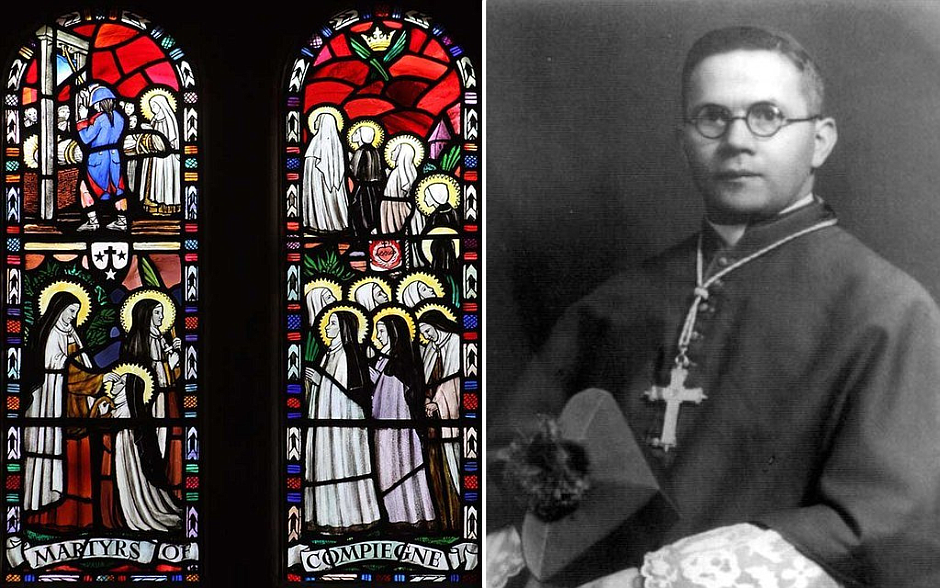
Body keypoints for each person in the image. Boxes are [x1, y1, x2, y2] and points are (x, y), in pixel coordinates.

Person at [488, 26, 940, 588]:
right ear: (685, 141)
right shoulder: (616, 303)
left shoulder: (889, 312)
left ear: (820, 140)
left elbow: (883, 527)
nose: (737, 140)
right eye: (712, 117)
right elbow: (506, 467)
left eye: (768, 115)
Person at [21, 286, 117, 529]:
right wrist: (98, 380)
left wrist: (96, 381)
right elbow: (63, 369)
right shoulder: (51, 334)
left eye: (76, 311)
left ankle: (79, 518)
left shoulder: (72, 333)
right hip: (51, 401)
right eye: (70, 311)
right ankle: (44, 512)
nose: (73, 316)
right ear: (59, 309)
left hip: (74, 405)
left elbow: (82, 362)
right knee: (49, 450)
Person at [303, 305, 381, 533]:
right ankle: (326, 518)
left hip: (343, 430)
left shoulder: (348, 355)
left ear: (344, 328)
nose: (326, 327)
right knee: (325, 466)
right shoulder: (328, 354)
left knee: (342, 467)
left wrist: (321, 380)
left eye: (332, 324)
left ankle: (348, 519)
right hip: (325, 426)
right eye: (327, 323)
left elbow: (354, 397)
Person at [369, 307, 436, 529]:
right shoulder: (382, 360)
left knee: (401, 469)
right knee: (386, 474)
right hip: (382, 429)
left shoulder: (402, 364)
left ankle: (411, 517)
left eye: (381, 331)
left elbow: (407, 395)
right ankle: (393, 517)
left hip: (400, 431)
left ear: (394, 333)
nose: (376, 336)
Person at [104, 371, 182, 532]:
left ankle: (138, 513)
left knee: (134, 482)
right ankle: (130, 511)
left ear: (128, 389)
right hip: (122, 453)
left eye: (120, 381)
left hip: (129, 456)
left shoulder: (127, 412)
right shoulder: (119, 408)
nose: (115, 383)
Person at [122, 294, 183, 496]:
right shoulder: (139, 340)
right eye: (157, 313)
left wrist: (174, 354)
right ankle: (156, 476)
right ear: (146, 315)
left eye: (162, 312)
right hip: (153, 401)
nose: (161, 316)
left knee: (172, 436)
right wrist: (168, 360)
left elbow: (171, 372)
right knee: (158, 437)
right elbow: (141, 373)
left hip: (168, 396)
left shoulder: (160, 337)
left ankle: (169, 477)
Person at [417, 307, 462, 533]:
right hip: (432, 421)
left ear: (438, 325)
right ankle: (444, 521)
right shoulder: (431, 350)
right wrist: (426, 400)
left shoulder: (457, 343)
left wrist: (437, 402)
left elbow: (455, 381)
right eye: (423, 332)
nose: (426, 335)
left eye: (427, 330)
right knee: (435, 468)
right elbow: (426, 381)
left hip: (448, 417)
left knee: (452, 466)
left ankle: (458, 520)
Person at [75, 85, 129, 232]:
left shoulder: (99, 119)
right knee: (118, 189)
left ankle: (93, 221)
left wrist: (82, 118)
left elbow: (86, 138)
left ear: (99, 103)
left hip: (98, 158)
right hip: (114, 157)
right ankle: (122, 221)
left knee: (85, 187)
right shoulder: (119, 117)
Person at [302, 109, 349, 233]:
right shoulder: (336, 143)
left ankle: (323, 223)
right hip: (320, 181)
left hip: (319, 180)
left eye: (318, 120)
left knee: (325, 198)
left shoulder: (319, 142)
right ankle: (326, 222)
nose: (315, 123)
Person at [138, 93, 181, 215]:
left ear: (161, 105)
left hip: (166, 159)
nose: (152, 108)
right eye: (151, 106)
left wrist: (151, 131)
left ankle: (166, 206)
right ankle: (154, 205)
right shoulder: (154, 119)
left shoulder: (169, 120)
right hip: (155, 157)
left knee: (164, 180)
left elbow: (168, 140)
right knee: (154, 181)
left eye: (154, 105)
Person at [348, 123, 384, 239]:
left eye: (358, 132)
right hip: (376, 190)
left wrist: (349, 160)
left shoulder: (360, 151)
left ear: (363, 135)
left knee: (361, 215)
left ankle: (361, 240)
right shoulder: (375, 151)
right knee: (373, 215)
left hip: (363, 190)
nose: (354, 134)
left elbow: (354, 171)